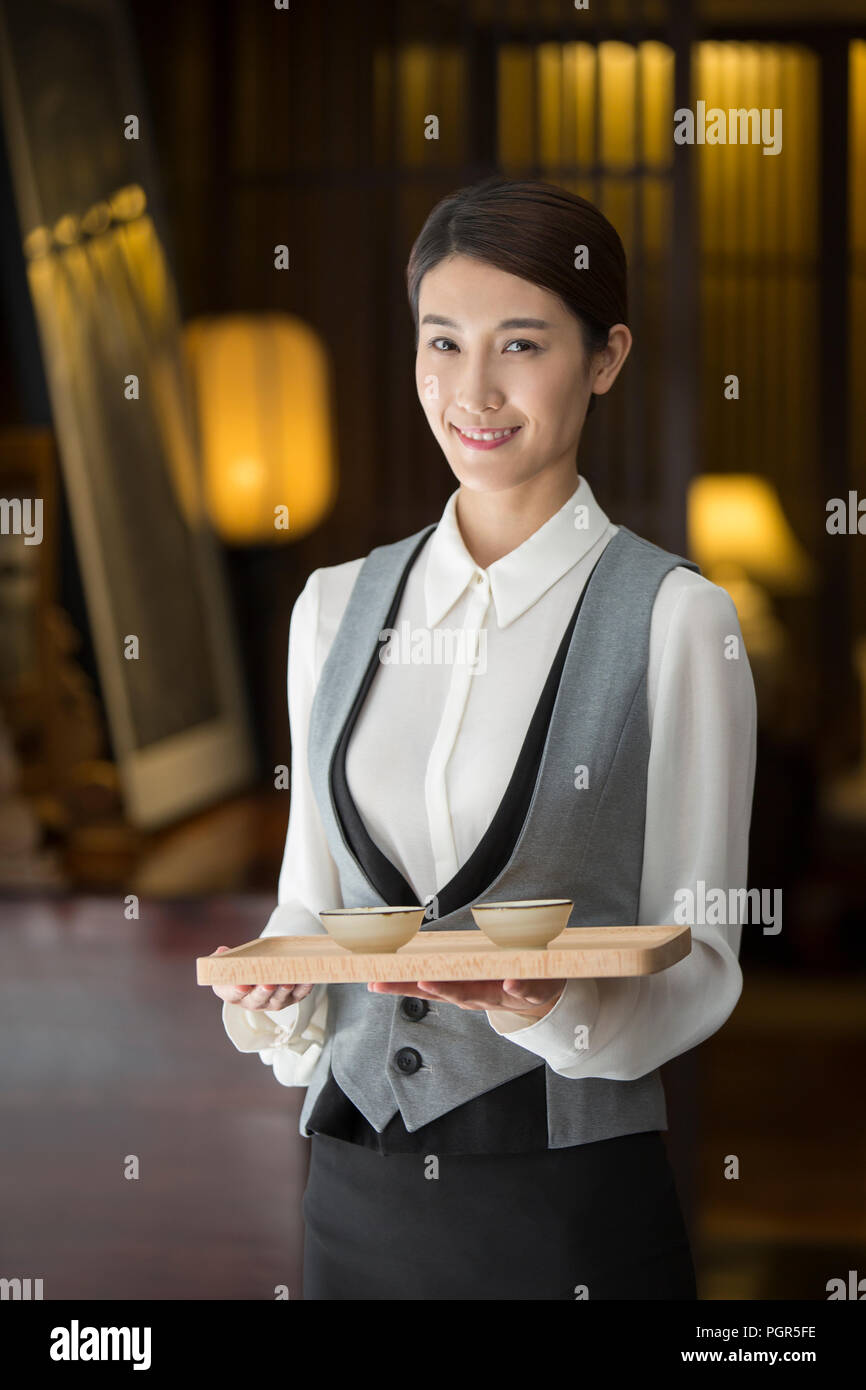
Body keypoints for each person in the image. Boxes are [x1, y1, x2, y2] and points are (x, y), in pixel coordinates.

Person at [211, 174, 757, 1301]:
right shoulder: (331, 607)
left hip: (562, 1202)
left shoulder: (673, 618)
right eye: (441, 341)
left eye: (520, 344)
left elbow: (703, 964)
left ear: (602, 357)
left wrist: (554, 1006)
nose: (474, 390)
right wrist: (271, 1001)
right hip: (351, 1187)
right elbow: (309, 904)